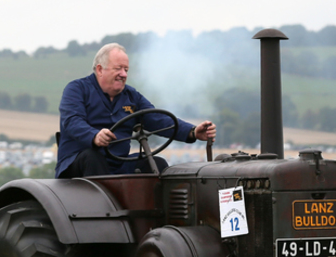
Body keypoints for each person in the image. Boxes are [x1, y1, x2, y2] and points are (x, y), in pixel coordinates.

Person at [56, 43, 216, 178]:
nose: (123, 74)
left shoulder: (131, 96)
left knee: (156, 163)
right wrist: (94, 136)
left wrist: (192, 132)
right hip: (78, 163)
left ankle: (158, 214)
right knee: (93, 157)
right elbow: (72, 121)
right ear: (100, 69)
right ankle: (100, 212)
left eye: (126, 69)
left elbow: (158, 119)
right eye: (118, 69)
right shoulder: (77, 89)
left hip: (118, 163)